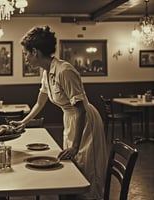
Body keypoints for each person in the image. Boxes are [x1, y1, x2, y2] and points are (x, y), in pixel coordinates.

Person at [11, 26, 108, 199]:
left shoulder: (65, 71)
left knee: (89, 170)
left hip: (85, 122)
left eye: (26, 53)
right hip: (71, 119)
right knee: (75, 167)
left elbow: (80, 110)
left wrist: (76, 145)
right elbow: (40, 102)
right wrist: (23, 122)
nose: (25, 58)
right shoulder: (47, 72)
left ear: (35, 52)